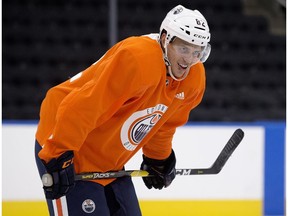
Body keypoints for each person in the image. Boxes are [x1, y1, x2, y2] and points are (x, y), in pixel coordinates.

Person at [35, 4, 211, 216]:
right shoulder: (137, 59)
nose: (189, 60)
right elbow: (84, 106)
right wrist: (58, 153)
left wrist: (158, 158)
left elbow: (163, 122)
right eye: (183, 49)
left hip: (110, 162)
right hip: (67, 141)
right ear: (165, 39)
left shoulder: (194, 77)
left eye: (197, 52)